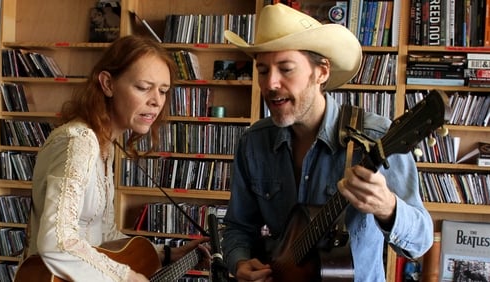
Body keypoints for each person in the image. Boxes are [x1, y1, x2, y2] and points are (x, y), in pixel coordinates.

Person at [221, 4, 433, 282]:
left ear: (321, 72)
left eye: (285, 69)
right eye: (262, 70)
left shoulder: (376, 136)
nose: (270, 83)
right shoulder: (253, 142)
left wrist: (387, 207)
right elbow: (238, 226)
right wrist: (239, 262)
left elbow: (420, 243)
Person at [26, 35, 209, 282]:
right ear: (108, 84)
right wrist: (125, 276)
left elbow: (103, 235)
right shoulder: (77, 141)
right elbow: (56, 241)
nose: (156, 101)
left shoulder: (105, 145)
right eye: (144, 87)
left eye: (163, 90)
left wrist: (167, 254)